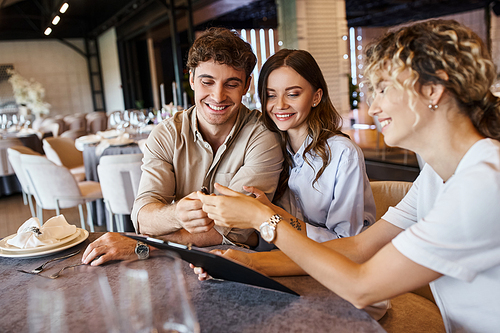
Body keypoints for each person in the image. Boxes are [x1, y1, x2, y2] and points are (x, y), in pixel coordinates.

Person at [195, 20, 500, 332]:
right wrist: (249, 263)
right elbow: (358, 248)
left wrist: (264, 219)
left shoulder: (483, 185)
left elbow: (363, 285)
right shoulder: (437, 175)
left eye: (384, 88)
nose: (374, 105)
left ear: (433, 89)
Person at [82, 27, 283, 265]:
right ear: (191, 79)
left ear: (247, 85)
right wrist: (177, 214)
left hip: (243, 265)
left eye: (231, 84)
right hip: (172, 267)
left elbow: (231, 231)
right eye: (207, 82)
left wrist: (144, 245)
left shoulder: (263, 137)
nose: (218, 96)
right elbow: (144, 217)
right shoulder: (167, 134)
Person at [244, 48, 375, 243]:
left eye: (293, 94)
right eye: (271, 95)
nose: (279, 105)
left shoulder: (343, 154)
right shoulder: (268, 150)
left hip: (333, 264)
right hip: (282, 259)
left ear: (316, 97)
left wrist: (272, 214)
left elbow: (347, 242)